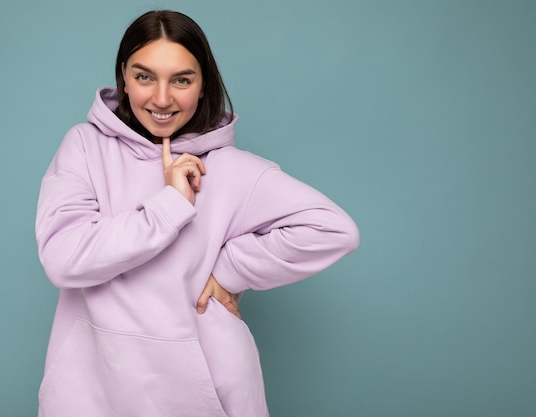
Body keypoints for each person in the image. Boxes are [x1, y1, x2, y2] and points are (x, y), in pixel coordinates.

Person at [35, 9, 359, 417]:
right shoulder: (85, 147)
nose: (162, 98)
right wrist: (169, 205)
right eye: (144, 76)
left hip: (204, 391)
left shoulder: (233, 169)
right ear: (123, 76)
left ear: (204, 85)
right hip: (92, 389)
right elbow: (64, 259)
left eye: (182, 80)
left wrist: (229, 270)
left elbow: (334, 229)